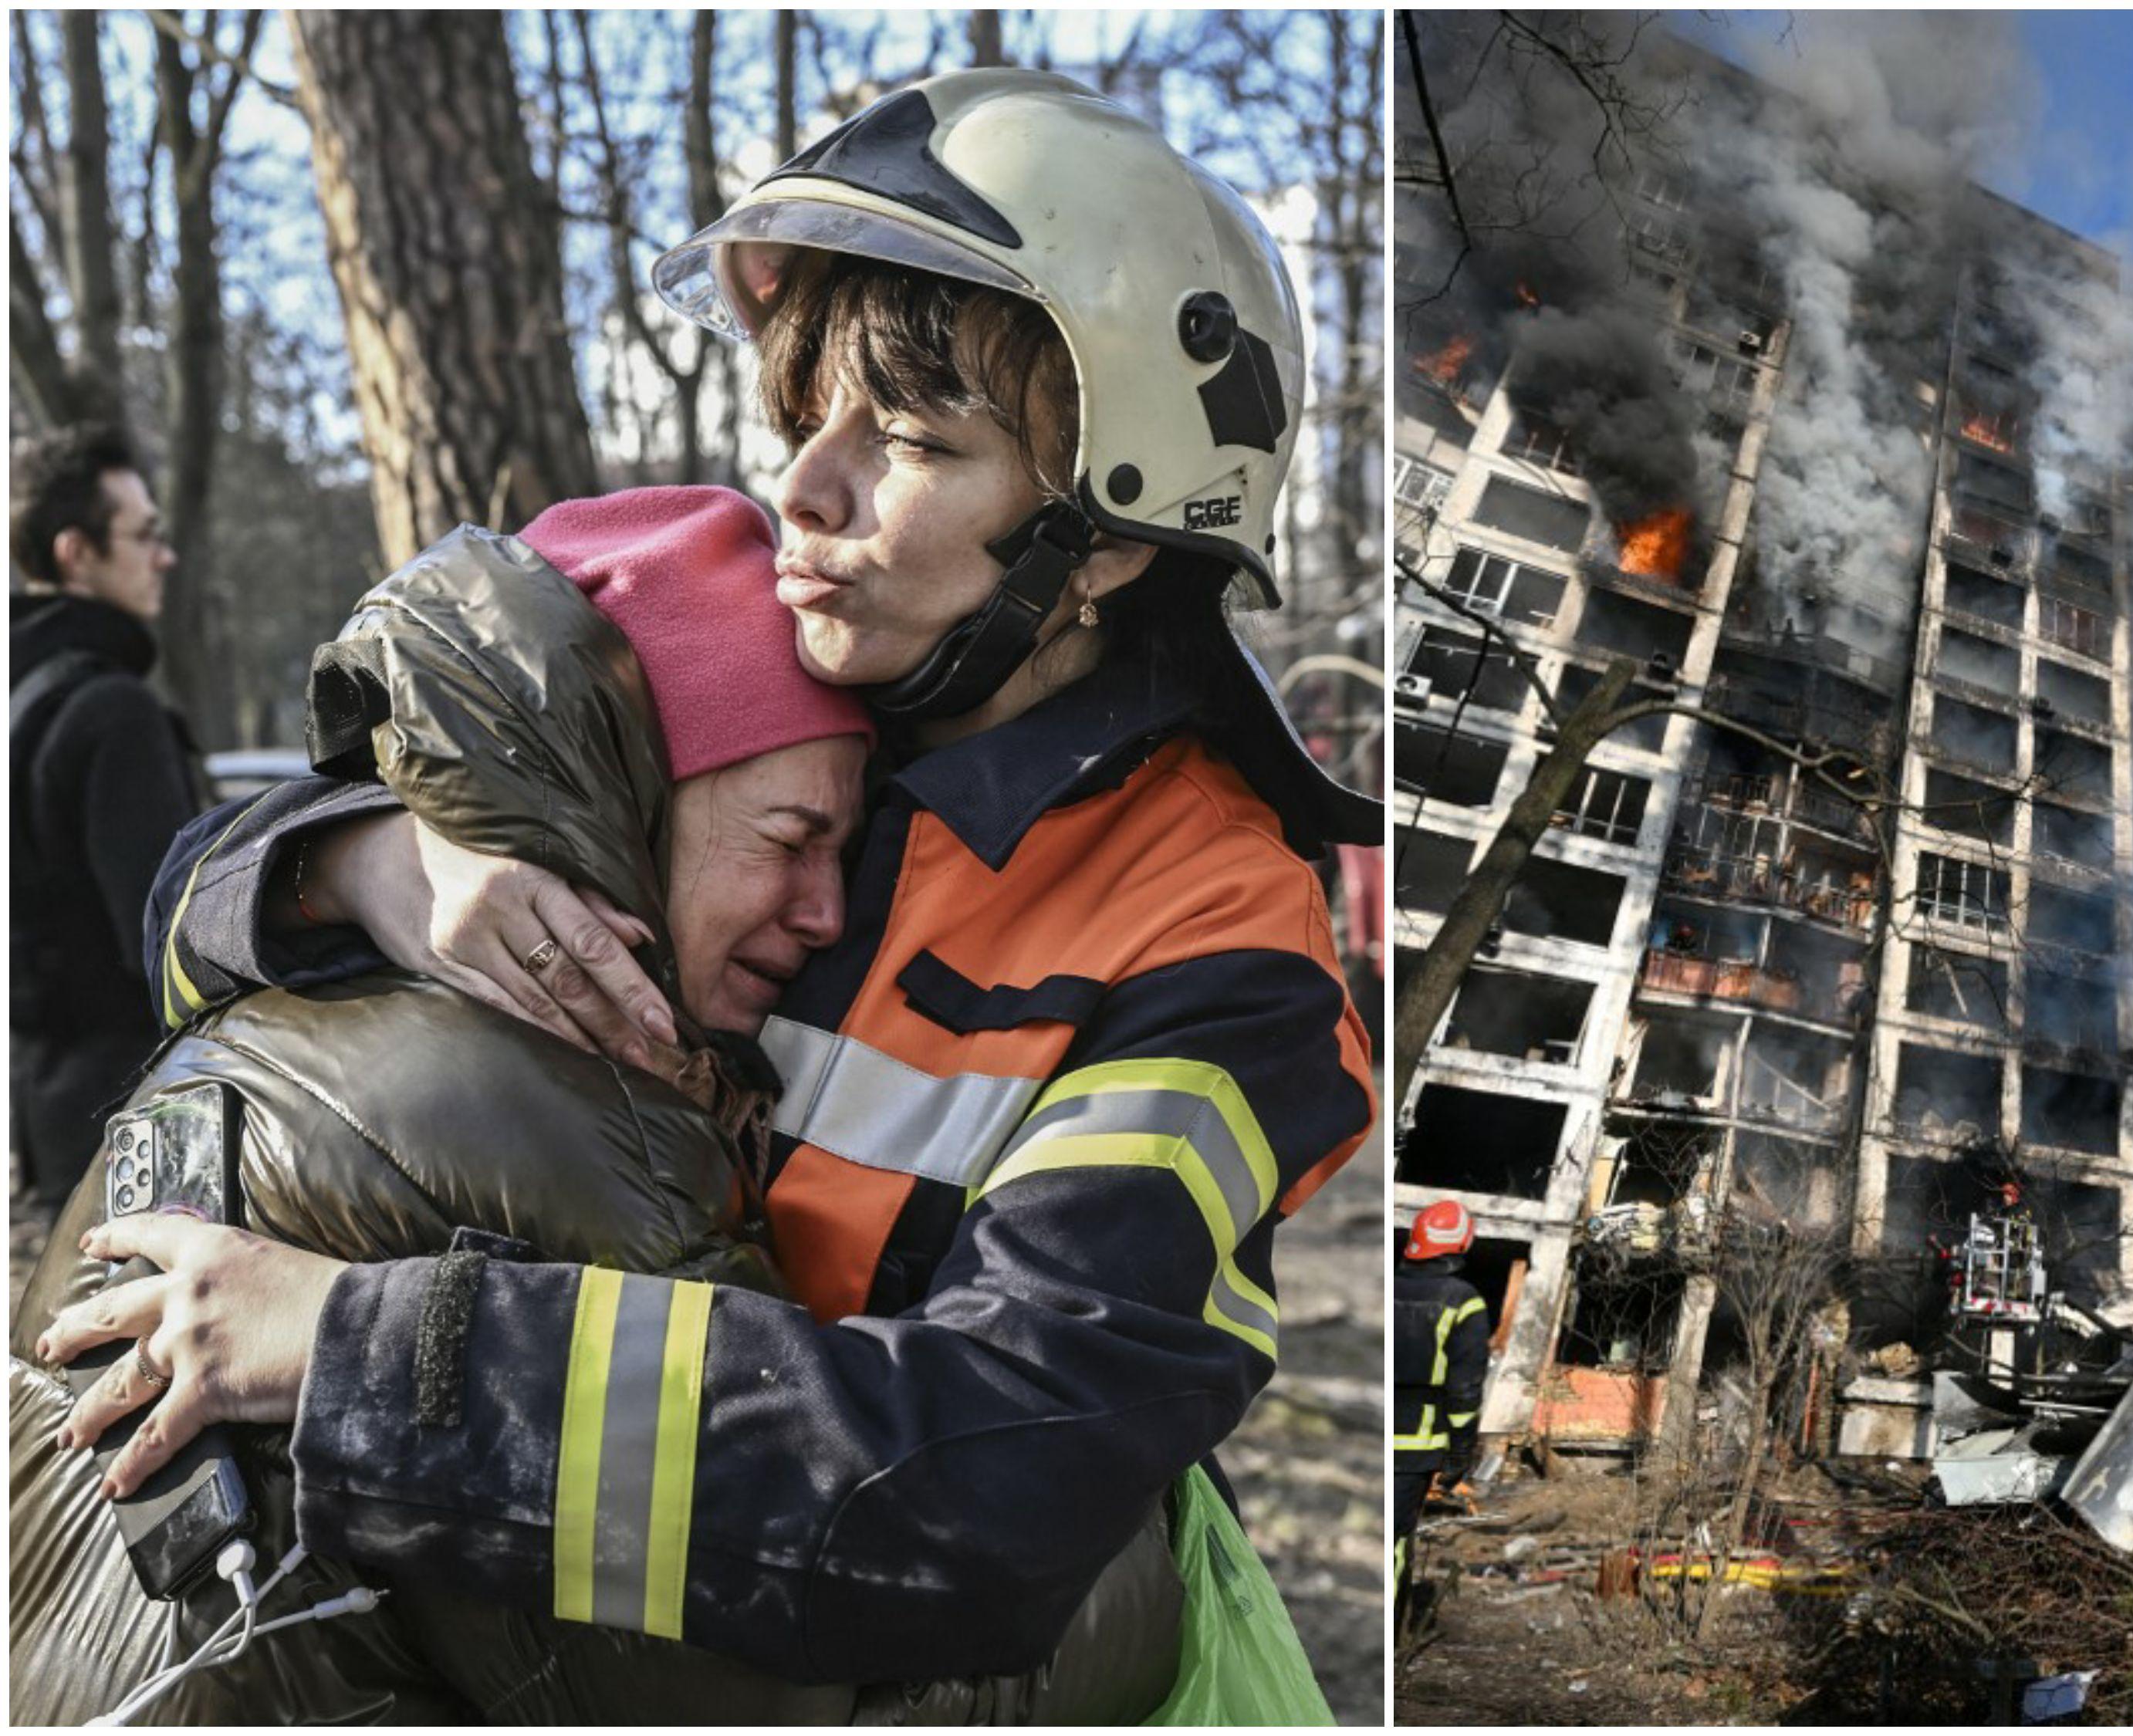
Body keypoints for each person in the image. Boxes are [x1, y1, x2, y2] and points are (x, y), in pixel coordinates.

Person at [43, 69, 1377, 1714]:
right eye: (801, 420)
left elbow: (994, 1480)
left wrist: (359, 1357)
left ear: (1101, 544)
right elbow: (184, 904)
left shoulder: (1219, 938)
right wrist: (376, 862)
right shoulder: (786, 681)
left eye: (908, 440)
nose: (804, 493)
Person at [9, 424, 208, 1211]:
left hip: (44, 1111)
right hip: (141, 1122)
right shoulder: (111, 712)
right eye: (144, 535)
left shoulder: (18, 699)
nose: (165, 556)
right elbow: (173, 947)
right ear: (75, 552)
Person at [1392, 1199, 1490, 1615]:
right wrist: (1460, 1454)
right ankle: (1390, 1636)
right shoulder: (1463, 1303)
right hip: (1415, 1445)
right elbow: (1464, 1391)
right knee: (1394, 1542)